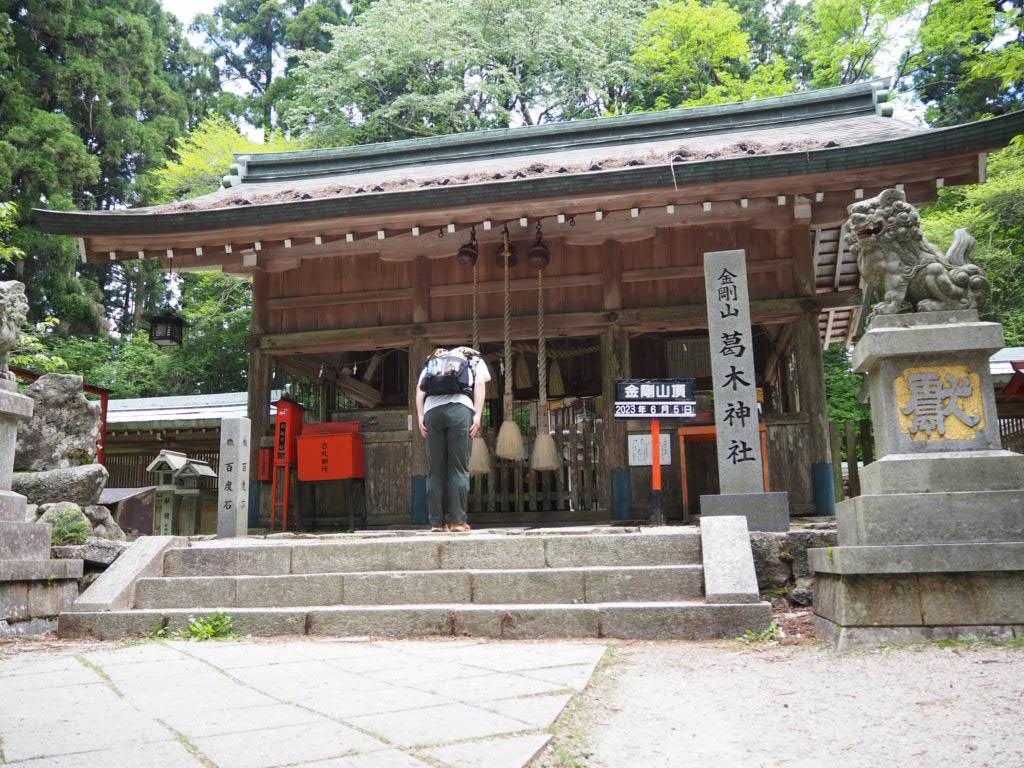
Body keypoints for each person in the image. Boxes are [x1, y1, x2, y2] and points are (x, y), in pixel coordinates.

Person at [415, 346, 490, 532]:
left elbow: (420, 390)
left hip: (432, 412)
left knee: (435, 469)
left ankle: (436, 523)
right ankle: (457, 521)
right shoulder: (473, 359)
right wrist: (477, 415)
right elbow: (480, 385)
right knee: (458, 468)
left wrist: (420, 416)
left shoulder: (433, 360)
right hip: (460, 409)